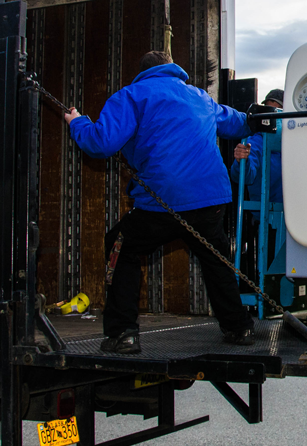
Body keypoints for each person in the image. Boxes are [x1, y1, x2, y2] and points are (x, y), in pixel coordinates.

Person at [65, 51, 255, 354]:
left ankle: (122, 333)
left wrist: (77, 122)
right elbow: (237, 123)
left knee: (121, 246)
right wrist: (257, 118)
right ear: (172, 68)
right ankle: (239, 327)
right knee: (215, 259)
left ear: (143, 72)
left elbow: (100, 143)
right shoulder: (200, 97)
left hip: (163, 202)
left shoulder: (132, 95)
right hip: (211, 199)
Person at [230, 89, 284, 205]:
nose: (272, 117)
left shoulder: (296, 141)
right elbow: (243, 177)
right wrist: (242, 161)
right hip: (267, 216)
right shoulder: (255, 142)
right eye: (268, 110)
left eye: (278, 111)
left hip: (298, 213)